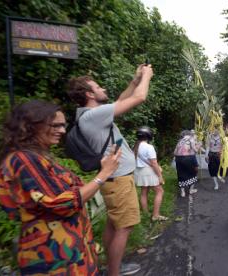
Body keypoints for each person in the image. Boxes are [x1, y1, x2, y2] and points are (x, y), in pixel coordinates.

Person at [0, 100, 121, 275]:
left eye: (63, 125)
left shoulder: (40, 157)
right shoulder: (24, 160)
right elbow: (63, 203)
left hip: (72, 254)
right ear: (31, 126)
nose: (62, 131)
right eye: (55, 125)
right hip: (55, 259)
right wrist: (103, 174)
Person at [67, 64, 153, 276]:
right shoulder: (93, 115)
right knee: (124, 227)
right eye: (97, 87)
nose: (102, 88)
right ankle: (114, 272)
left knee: (114, 225)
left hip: (114, 179)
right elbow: (139, 97)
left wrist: (134, 81)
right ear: (89, 94)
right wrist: (146, 77)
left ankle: (111, 265)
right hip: (120, 180)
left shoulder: (90, 115)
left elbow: (120, 102)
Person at [133, 126, 168, 221]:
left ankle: (145, 213)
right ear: (149, 135)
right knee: (159, 191)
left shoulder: (135, 146)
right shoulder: (149, 147)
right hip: (148, 171)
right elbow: (153, 163)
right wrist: (160, 176)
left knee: (144, 192)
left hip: (139, 171)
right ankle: (155, 215)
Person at [174, 130, 199, 197]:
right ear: (190, 134)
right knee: (193, 173)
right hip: (188, 158)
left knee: (181, 174)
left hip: (178, 159)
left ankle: (183, 192)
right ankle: (191, 190)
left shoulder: (180, 141)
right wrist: (198, 146)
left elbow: (174, 152)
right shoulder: (191, 139)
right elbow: (195, 150)